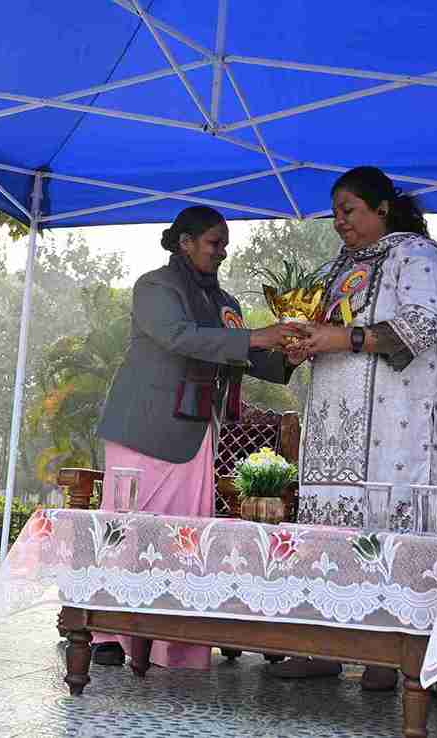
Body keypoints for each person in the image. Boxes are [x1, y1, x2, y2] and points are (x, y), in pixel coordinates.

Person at [271, 166, 437, 685]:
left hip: (394, 428)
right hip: (332, 430)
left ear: (382, 208)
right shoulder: (336, 267)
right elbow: (320, 326)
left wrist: (343, 338)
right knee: (326, 535)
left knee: (387, 534)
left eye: (348, 210)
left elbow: (423, 324)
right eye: (335, 214)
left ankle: (386, 651)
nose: (339, 222)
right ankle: (321, 647)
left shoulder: (418, 255)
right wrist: (303, 343)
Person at [92, 205, 304, 669]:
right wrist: (258, 336)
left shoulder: (225, 302)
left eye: (225, 244)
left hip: (194, 429)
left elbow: (246, 353)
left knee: (185, 537)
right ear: (185, 242)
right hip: (143, 428)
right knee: (127, 530)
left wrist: (291, 351)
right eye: (214, 242)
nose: (222, 252)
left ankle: (174, 639)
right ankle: (107, 631)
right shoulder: (155, 287)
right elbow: (180, 337)